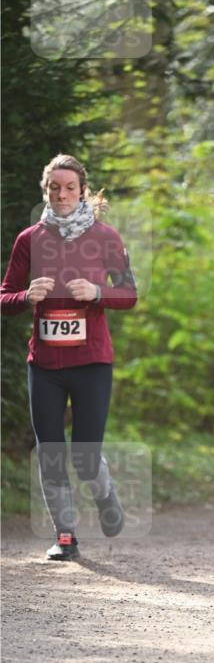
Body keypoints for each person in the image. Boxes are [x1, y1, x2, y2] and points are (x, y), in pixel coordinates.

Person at [1, 154, 138, 560]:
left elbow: (129, 294)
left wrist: (98, 293)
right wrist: (26, 296)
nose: (61, 194)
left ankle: (107, 496)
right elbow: (4, 297)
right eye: (54, 188)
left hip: (92, 362)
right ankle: (65, 535)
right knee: (50, 451)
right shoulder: (29, 239)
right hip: (44, 365)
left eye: (70, 188)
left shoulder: (106, 237)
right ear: (45, 191)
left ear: (82, 191)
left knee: (85, 453)